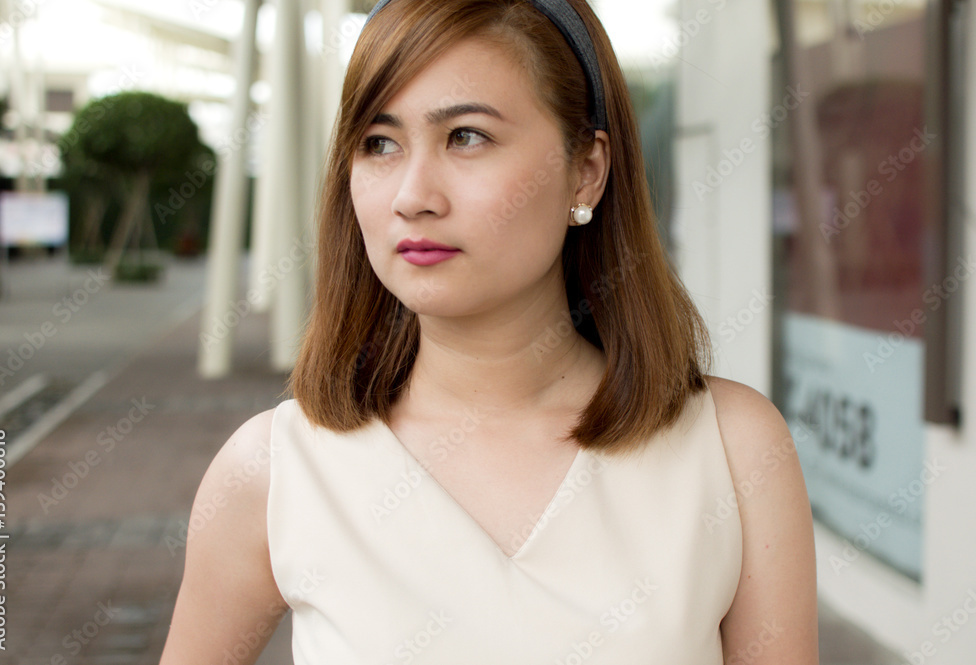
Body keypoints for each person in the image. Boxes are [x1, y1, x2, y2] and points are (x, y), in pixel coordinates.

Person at [159, 0, 819, 663]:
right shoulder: (277, 472)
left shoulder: (732, 451)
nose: (413, 195)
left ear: (586, 169)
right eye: (379, 143)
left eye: (466, 136)